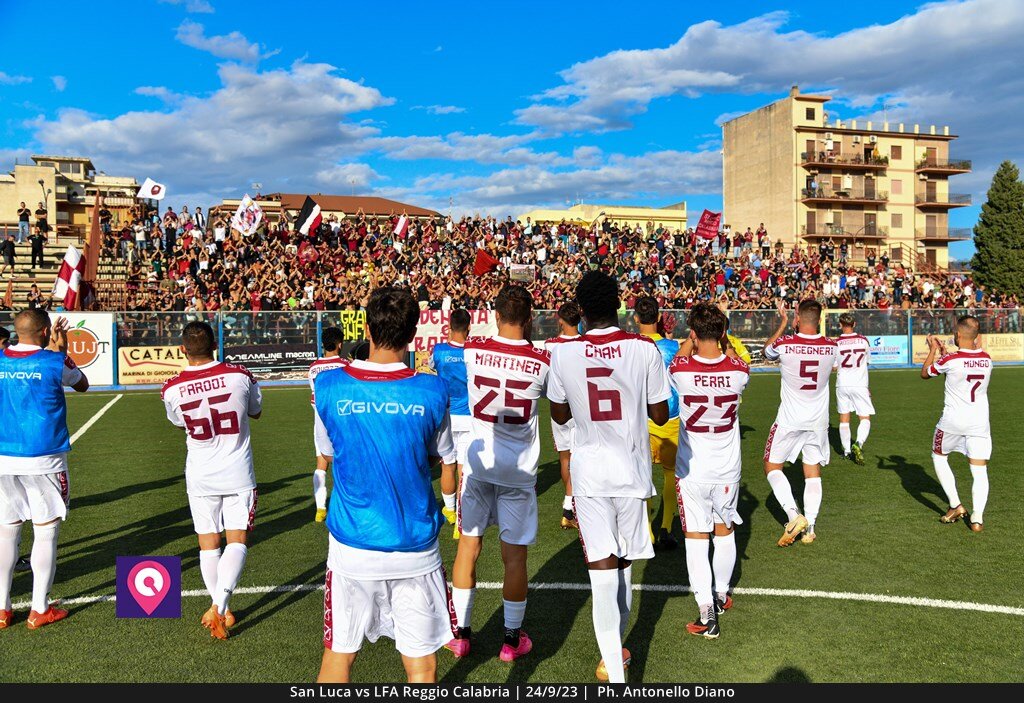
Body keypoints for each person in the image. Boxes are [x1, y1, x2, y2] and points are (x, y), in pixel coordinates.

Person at [312, 287, 454, 683]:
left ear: (367, 329)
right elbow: (439, 455)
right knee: (422, 666)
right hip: (415, 547)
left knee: (339, 657)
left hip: (352, 547)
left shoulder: (329, 386)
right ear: (412, 335)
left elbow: (329, 452)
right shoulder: (433, 390)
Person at [548, 271, 670, 683]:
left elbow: (559, 414)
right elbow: (660, 414)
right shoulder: (644, 349)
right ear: (619, 303)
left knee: (602, 570)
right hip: (631, 470)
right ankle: (615, 658)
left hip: (589, 474)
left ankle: (614, 670)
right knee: (623, 564)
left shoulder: (563, 354)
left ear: (581, 310)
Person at [447, 285, 549, 663]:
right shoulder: (543, 360)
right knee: (514, 558)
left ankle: (461, 635)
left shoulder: (473, 350)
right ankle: (510, 640)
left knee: (468, 547)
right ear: (530, 317)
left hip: (477, 466)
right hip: (518, 471)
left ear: (495, 315)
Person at [161, 321, 263, 639]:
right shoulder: (240, 374)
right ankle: (219, 607)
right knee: (236, 541)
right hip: (237, 472)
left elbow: (180, 423)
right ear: (215, 345)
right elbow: (256, 411)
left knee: (208, 545)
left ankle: (222, 609)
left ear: (182, 350)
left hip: (200, 473)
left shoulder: (171, 387)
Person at [0, 311, 89, 630]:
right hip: (44, 457)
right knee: (45, 531)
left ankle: (2, 608)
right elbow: (82, 384)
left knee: (6, 531)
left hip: (4, 456)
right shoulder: (54, 361)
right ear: (44, 331)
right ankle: (39, 608)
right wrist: (60, 350)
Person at [670, 303, 750, 640]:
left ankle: (707, 611)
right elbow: (736, 361)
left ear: (693, 332)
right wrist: (724, 340)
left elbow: (678, 359)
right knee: (724, 530)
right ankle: (721, 594)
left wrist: (690, 341)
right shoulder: (739, 371)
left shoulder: (681, 370)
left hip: (693, 468)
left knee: (696, 538)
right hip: (727, 468)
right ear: (722, 332)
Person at [761, 299, 838, 546]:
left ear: (797, 317)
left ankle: (794, 516)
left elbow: (766, 351)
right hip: (818, 420)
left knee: (772, 466)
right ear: (820, 319)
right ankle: (810, 528)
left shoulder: (785, 344)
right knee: (812, 472)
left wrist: (783, 322)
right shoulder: (831, 346)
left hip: (790, 419)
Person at [921, 316, 992, 531]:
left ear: (958, 335)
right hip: (979, 423)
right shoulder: (987, 359)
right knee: (979, 470)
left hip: (952, 422)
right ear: (976, 336)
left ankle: (955, 505)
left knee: (939, 456)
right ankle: (977, 519)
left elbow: (925, 373)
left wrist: (933, 350)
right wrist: (946, 354)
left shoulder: (950, 360)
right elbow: (961, 373)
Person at [633, 296, 680, 550]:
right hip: (670, 413)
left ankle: (647, 531)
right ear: (659, 317)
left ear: (635, 318)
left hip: (640, 415)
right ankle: (667, 527)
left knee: (644, 473)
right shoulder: (672, 346)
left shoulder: (630, 346)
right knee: (670, 473)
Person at [428, 309, 471, 534]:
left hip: (446, 415)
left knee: (448, 464)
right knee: (464, 468)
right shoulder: (473, 352)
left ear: (449, 326)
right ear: (469, 327)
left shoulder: (438, 351)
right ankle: (461, 517)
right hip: (469, 416)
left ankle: (451, 511)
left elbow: (431, 367)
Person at [544, 301, 582, 530]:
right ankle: (570, 507)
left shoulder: (550, 344)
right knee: (578, 458)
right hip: (578, 406)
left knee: (565, 457)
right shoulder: (586, 344)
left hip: (556, 406)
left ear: (560, 320)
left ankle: (570, 505)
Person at [308, 326, 350, 523]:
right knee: (345, 462)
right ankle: (345, 504)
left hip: (320, 421)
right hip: (342, 420)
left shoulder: (313, 367)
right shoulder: (345, 365)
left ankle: (320, 509)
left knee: (321, 464)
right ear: (340, 344)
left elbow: (315, 395)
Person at [834, 313, 874, 464]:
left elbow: (834, 366)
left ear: (840, 324)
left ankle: (846, 451)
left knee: (844, 418)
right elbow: (867, 362)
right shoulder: (863, 340)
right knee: (864, 417)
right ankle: (858, 443)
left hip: (842, 383)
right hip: (859, 384)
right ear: (854, 324)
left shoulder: (836, 343)